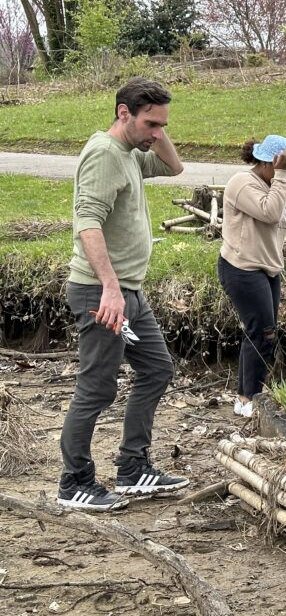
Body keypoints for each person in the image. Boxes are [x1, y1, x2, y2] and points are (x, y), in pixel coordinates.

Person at [58, 78, 190, 511]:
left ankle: (133, 468)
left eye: (161, 124)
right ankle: (74, 481)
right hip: (102, 292)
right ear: (122, 112)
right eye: (150, 122)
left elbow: (175, 168)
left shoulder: (132, 153)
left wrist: (155, 128)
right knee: (96, 389)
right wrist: (111, 290)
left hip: (127, 291)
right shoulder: (104, 154)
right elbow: (87, 223)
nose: (157, 133)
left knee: (156, 369)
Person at [218, 135, 286, 418]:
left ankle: (246, 396)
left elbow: (275, 227)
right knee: (263, 333)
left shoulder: (273, 186)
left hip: (267, 268)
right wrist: (282, 176)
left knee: (261, 333)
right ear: (267, 162)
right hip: (242, 268)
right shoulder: (242, 183)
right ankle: (249, 398)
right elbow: (270, 213)